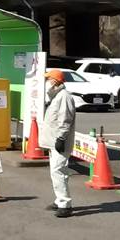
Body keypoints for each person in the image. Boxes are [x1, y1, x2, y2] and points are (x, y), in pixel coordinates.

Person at [39, 69, 76, 218]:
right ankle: (59, 199)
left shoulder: (64, 97)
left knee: (58, 171)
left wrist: (61, 138)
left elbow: (65, 119)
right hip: (54, 141)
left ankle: (65, 204)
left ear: (55, 81)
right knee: (56, 172)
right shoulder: (56, 96)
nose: (47, 82)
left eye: (48, 79)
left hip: (59, 142)